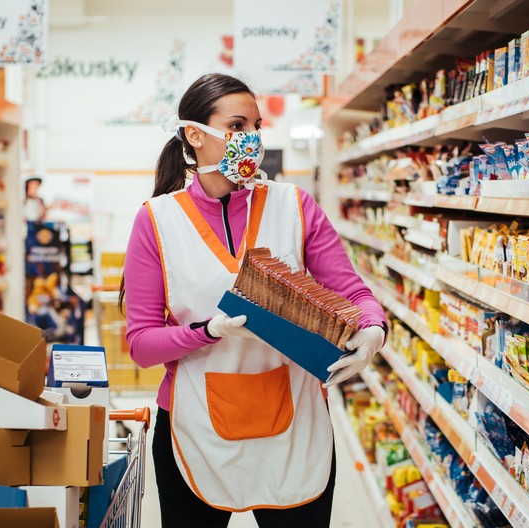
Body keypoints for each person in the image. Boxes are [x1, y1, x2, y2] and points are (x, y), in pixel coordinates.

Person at [121, 73, 388, 528]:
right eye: (237, 126)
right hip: (194, 423)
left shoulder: (294, 206)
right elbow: (142, 345)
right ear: (194, 135)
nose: (252, 139)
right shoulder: (157, 221)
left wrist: (373, 330)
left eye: (257, 127)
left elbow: (354, 293)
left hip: (295, 423)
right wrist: (207, 331)